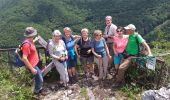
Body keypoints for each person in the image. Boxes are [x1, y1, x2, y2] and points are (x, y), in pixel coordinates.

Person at [21, 27, 46, 95]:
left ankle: (40, 89)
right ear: (32, 35)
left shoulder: (30, 40)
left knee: (40, 76)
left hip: (36, 63)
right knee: (40, 79)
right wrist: (32, 69)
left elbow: (31, 44)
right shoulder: (26, 44)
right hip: (33, 65)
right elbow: (24, 58)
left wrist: (35, 40)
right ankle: (36, 92)